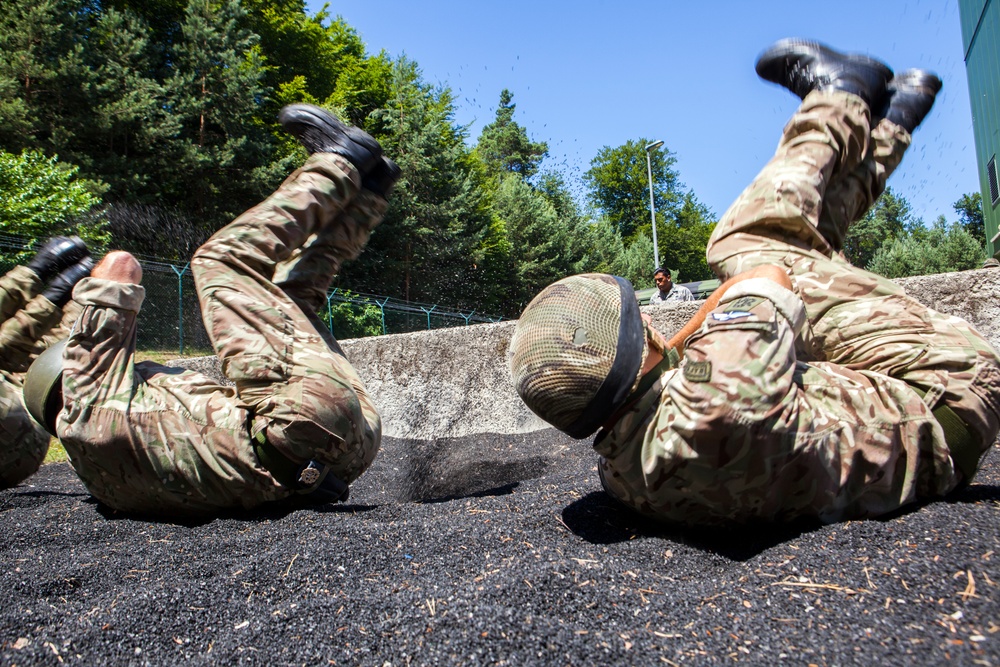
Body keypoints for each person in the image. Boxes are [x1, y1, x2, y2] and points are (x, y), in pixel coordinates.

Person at [509, 39, 1000, 525]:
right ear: (636, 361)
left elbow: (721, 358)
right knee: (747, 242)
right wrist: (690, 332)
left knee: (799, 243)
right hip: (948, 383)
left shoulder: (620, 472)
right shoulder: (718, 390)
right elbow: (768, 274)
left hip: (927, 446)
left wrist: (670, 350)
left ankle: (891, 125)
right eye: (642, 326)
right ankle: (839, 95)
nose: (653, 323)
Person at [24, 105, 399, 517]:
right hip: (303, 423)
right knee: (219, 261)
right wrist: (76, 292)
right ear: (69, 370)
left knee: (290, 299)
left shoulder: (102, 482)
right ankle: (340, 162)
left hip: (346, 456)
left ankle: (369, 195)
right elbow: (122, 266)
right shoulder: (88, 390)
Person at [1, 237, 92, 488]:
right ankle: (60, 291)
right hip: (17, 435)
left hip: (17, 402)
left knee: (50, 347)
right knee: (52, 351)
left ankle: (80, 303)